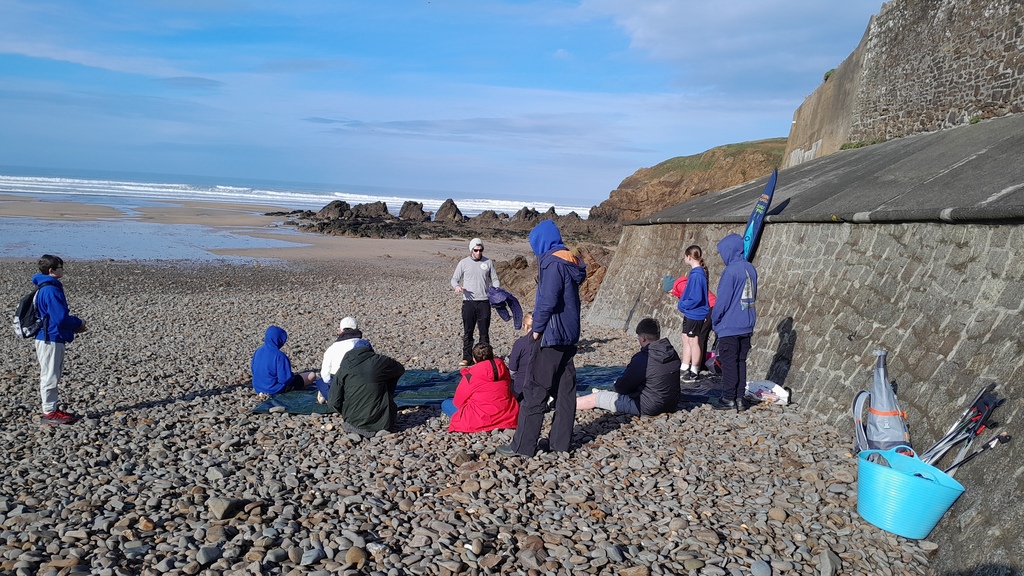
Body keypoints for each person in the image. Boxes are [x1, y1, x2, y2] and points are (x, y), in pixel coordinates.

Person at [499, 220, 586, 457]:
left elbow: (548, 298)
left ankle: (522, 446)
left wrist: (536, 328)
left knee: (535, 389)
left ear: (541, 241)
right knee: (565, 392)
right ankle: (560, 443)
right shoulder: (570, 260)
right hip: (569, 334)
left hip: (552, 334)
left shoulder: (551, 261)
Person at [576, 318, 681, 416]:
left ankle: (564, 406)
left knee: (595, 398)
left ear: (643, 338)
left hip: (648, 407)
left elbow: (623, 388)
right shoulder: (671, 352)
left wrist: (616, 386)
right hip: (671, 404)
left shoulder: (644, 358)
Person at [31, 254, 87, 425]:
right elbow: (60, 318)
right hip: (51, 337)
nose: (63, 270)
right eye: (61, 267)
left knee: (51, 373)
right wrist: (79, 323)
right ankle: (49, 412)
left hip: (48, 336)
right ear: (51, 270)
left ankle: (51, 409)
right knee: (50, 375)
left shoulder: (43, 287)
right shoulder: (51, 290)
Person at [710, 233, 758, 411]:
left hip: (730, 325)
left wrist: (715, 320)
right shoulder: (750, 268)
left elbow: (722, 301)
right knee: (740, 361)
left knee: (729, 362)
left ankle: (728, 398)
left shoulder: (730, 271)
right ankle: (739, 397)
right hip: (747, 322)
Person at [328, 341, 406, 437]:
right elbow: (400, 369)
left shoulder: (343, 367)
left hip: (353, 422)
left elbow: (334, 401)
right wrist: (387, 386)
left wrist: (345, 411)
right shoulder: (379, 361)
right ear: (369, 350)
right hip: (382, 424)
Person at [442, 342, 519, 433]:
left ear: (474, 359)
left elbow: (458, 402)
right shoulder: (503, 370)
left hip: (479, 419)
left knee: (446, 403)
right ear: (492, 355)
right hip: (506, 414)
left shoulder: (470, 376)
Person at [451, 238, 501, 367]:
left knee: (484, 331)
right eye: (476, 250)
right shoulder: (463, 263)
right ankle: (467, 357)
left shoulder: (488, 262)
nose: (478, 253)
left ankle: (485, 357)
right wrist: (457, 286)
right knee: (468, 331)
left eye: (481, 250)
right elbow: (454, 279)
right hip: (469, 302)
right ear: (471, 250)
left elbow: (495, 279)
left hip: (484, 301)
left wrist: (496, 288)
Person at [676, 245, 711, 383]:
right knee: (686, 338)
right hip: (691, 313)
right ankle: (684, 367)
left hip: (695, 313)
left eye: (685, 256)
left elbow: (696, 298)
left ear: (689, 257)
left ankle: (694, 371)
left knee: (694, 341)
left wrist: (683, 304)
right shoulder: (696, 273)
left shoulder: (697, 274)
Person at [251, 326, 317, 396]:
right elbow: (285, 379)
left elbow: (253, 370)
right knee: (311, 375)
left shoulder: (258, 351)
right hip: (274, 390)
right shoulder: (279, 356)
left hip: (258, 388)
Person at [315, 316, 369, 402]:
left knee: (320, 380)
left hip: (340, 391)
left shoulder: (332, 348)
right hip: (362, 388)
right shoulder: (365, 345)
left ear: (340, 331)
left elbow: (325, 376)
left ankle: (326, 395)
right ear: (357, 329)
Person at [506, 311, 534, 402]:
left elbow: (512, 369)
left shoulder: (520, 343)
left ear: (524, 326)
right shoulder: (546, 343)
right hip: (543, 386)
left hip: (521, 387)